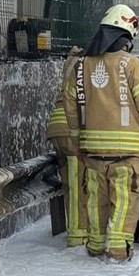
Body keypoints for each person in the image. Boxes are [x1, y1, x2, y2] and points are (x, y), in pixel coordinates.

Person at [62, 4, 139, 261]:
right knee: (124, 204)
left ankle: (95, 249)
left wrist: (77, 140)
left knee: (96, 204)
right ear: (125, 38)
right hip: (126, 156)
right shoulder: (131, 65)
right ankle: (119, 254)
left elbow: (70, 105)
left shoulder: (81, 66)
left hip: (93, 154)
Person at [46, 46, 87, 247]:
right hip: (70, 127)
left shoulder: (70, 63)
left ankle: (75, 229)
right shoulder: (86, 66)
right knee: (79, 183)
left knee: (70, 184)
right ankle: (77, 237)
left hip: (56, 126)